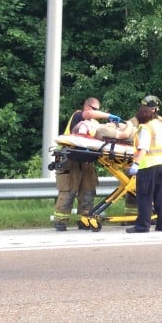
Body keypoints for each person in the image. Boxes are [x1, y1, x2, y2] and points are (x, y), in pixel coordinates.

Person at [52, 97, 122, 231]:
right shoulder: (78, 116)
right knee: (69, 191)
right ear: (86, 107)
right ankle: (60, 221)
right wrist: (109, 116)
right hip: (71, 158)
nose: (94, 112)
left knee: (88, 191)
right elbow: (88, 115)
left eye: (97, 109)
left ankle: (84, 219)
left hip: (87, 160)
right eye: (93, 109)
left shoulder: (94, 124)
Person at [126, 105, 162, 232]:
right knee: (161, 197)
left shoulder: (144, 128)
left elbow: (144, 148)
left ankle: (142, 226)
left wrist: (136, 164)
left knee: (145, 197)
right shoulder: (158, 125)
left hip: (148, 165)